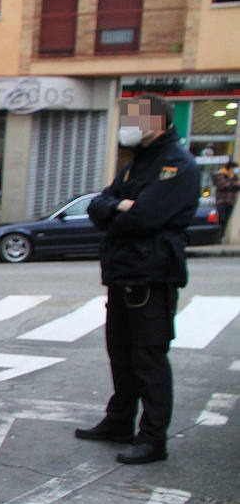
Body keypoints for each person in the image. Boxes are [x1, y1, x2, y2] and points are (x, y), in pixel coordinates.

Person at [74, 96, 199, 465]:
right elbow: (98, 206)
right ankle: (119, 421)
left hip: (152, 274)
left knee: (149, 359)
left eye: (134, 119)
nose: (127, 125)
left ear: (156, 123)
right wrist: (119, 206)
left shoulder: (177, 165)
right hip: (123, 272)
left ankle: (153, 438)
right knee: (121, 355)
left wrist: (122, 208)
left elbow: (145, 217)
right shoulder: (136, 164)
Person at [214, 159, 237, 238]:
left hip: (230, 201)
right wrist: (234, 184)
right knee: (221, 219)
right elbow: (223, 185)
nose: (235, 170)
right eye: (234, 168)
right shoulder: (221, 174)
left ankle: (221, 237)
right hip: (222, 201)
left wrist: (233, 184)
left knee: (226, 220)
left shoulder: (233, 176)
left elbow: (237, 186)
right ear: (230, 168)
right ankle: (216, 236)